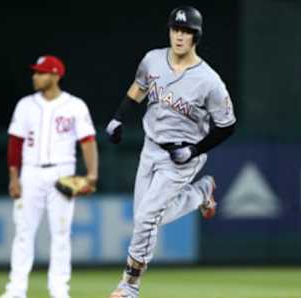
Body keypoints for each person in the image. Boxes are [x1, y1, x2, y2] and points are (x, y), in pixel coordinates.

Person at [105, 6, 236, 298]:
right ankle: (202, 193)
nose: (179, 36)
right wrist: (118, 117)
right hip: (150, 147)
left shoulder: (209, 80)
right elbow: (138, 89)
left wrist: (194, 150)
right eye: (176, 29)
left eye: (186, 31)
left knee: (145, 218)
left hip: (181, 156)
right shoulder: (153, 59)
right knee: (146, 216)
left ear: (196, 37)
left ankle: (129, 285)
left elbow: (227, 126)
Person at [0, 55, 98, 298]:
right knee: (23, 232)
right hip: (30, 172)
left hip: (62, 172)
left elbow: (87, 142)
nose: (35, 76)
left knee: (61, 234)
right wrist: (14, 177)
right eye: (35, 72)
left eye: (41, 72)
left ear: (55, 75)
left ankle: (59, 289)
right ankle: (16, 289)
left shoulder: (75, 105)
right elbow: (15, 143)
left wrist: (92, 175)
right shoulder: (25, 105)